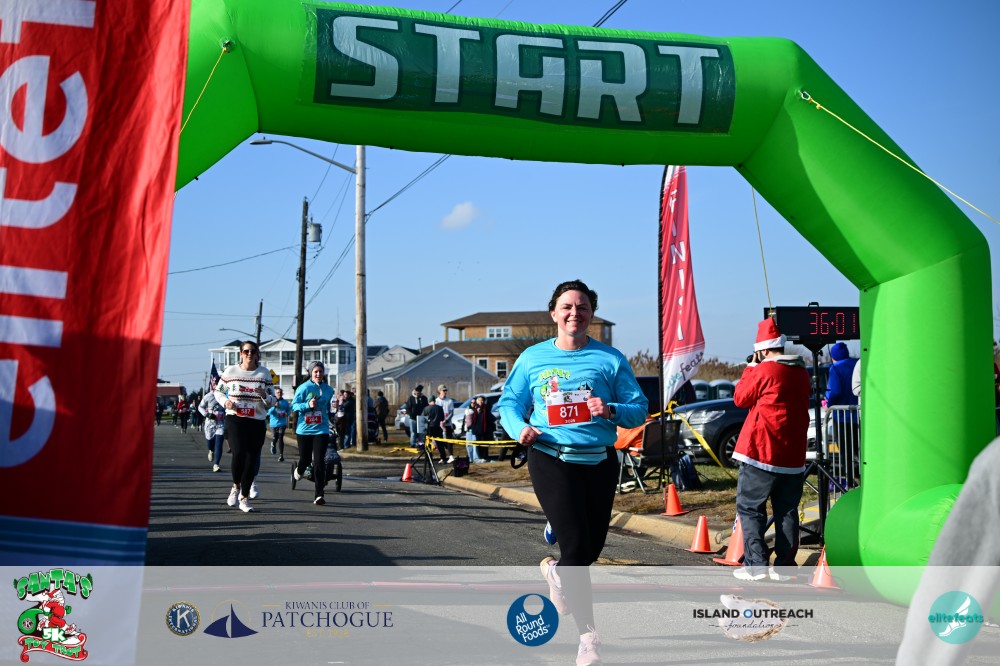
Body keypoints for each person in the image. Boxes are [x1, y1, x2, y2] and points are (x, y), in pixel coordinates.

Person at [498, 280, 647, 666]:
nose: (574, 313)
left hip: (599, 460)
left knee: (590, 550)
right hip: (551, 457)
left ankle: (556, 572)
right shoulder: (532, 358)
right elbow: (509, 403)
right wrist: (519, 429)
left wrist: (611, 409)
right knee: (578, 549)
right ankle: (588, 638)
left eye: (582, 307)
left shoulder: (610, 359)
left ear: (591, 315)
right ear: (554, 313)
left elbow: (639, 409)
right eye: (567, 306)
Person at [731, 317, 811, 582]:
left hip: (761, 452)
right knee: (786, 511)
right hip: (793, 456)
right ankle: (785, 568)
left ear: (763, 350)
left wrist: (750, 368)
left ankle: (756, 566)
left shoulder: (764, 370)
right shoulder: (801, 373)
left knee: (750, 508)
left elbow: (741, 398)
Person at [214, 340, 276, 513]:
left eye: (253, 351)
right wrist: (225, 402)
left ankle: (244, 497)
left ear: (257, 354)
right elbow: (218, 391)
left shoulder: (264, 374)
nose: (250, 354)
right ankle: (236, 486)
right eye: (246, 351)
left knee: (251, 459)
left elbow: (273, 400)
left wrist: (265, 396)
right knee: (239, 453)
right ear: (241, 353)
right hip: (235, 419)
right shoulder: (231, 371)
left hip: (256, 420)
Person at [291, 361, 335, 505]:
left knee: (319, 461)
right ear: (311, 373)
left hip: (321, 429)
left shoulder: (329, 389)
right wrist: (307, 405)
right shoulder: (303, 388)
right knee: (304, 459)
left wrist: (334, 408)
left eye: (320, 371)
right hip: (304, 429)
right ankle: (299, 469)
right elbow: (294, 406)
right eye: (315, 371)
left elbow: (330, 407)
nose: (318, 374)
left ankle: (319, 495)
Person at [825, 341, 860, 487]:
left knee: (846, 452)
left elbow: (835, 391)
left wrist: (828, 404)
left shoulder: (836, 368)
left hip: (842, 416)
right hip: (860, 415)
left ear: (833, 356)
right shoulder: (857, 363)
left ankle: (851, 483)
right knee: (860, 450)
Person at [199, 389, 226, 472]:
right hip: (210, 423)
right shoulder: (209, 396)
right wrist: (207, 414)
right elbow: (200, 407)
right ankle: (211, 450)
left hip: (221, 423)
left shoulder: (226, 395)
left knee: (219, 444)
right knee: (210, 443)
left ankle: (216, 465)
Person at [468, 395, 495, 462]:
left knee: (485, 444)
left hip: (485, 430)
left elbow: (490, 405)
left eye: (482, 400)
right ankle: (480, 457)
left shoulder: (486, 408)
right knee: (478, 445)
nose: (481, 401)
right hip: (477, 430)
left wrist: (485, 400)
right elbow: (473, 419)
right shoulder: (475, 409)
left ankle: (485, 457)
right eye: (479, 400)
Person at [421, 396, 447, 463]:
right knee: (440, 444)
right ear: (435, 401)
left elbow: (422, 419)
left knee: (428, 444)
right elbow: (442, 418)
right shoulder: (440, 408)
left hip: (429, 428)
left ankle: (429, 458)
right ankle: (443, 458)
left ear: (429, 402)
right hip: (437, 428)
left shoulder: (426, 409)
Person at [268, 387, 290, 461]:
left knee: (281, 438)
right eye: (278, 392)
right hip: (274, 424)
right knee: (275, 437)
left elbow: (288, 410)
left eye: (280, 392)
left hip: (282, 423)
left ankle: (281, 455)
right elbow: (268, 412)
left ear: (282, 393)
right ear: (275, 393)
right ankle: (273, 443)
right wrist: (274, 407)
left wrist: (287, 413)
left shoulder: (285, 402)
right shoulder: (272, 401)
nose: (279, 394)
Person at [404, 385, 429, 450]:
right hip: (413, 418)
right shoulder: (411, 398)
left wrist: (425, 415)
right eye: (416, 393)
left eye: (419, 393)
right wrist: (411, 414)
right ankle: (413, 444)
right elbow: (408, 408)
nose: (417, 394)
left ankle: (421, 444)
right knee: (413, 432)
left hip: (421, 418)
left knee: (421, 433)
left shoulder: (424, 398)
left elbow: (426, 407)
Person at [435, 384, 455, 462]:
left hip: (447, 424)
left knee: (449, 440)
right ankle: (443, 457)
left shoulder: (449, 401)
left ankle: (451, 456)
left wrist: (446, 420)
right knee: (440, 441)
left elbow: (451, 412)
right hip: (439, 424)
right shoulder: (436, 401)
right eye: (443, 390)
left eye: (446, 390)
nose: (445, 392)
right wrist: (439, 421)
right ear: (439, 391)